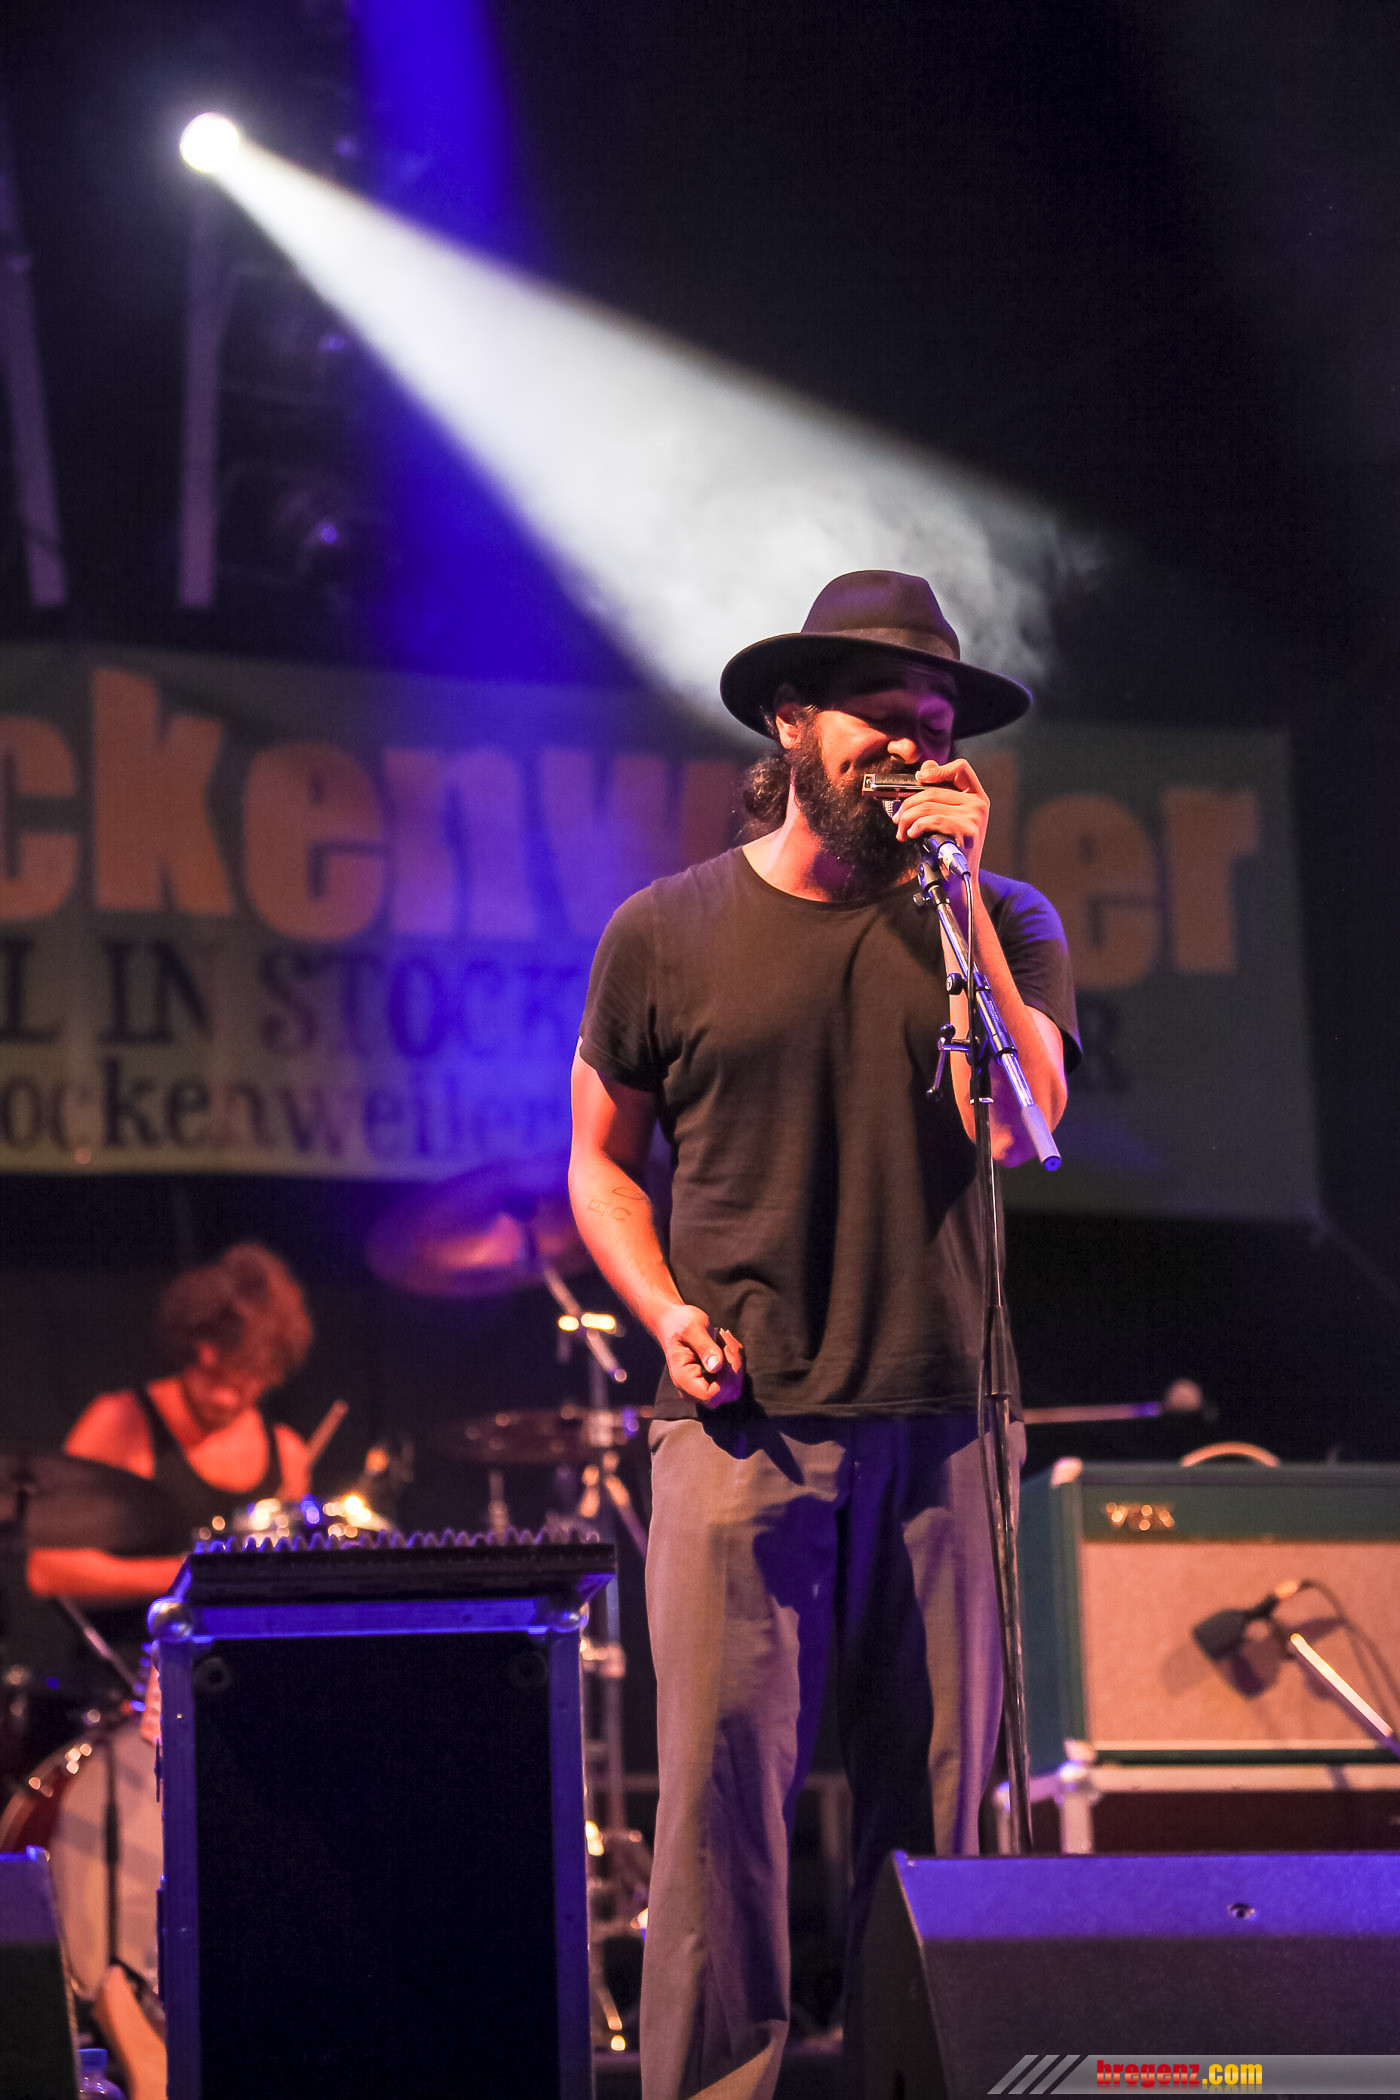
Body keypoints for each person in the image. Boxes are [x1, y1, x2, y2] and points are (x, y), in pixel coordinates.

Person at [569, 570, 1080, 2099]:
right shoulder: (667, 933)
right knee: (721, 1821)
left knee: (941, 1828)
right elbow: (598, 1163)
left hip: (945, 1428)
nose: (914, 748)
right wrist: (663, 1311)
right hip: (743, 1433)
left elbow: (1023, 1129)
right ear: (793, 722)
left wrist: (964, 907)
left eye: (937, 726)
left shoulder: (1003, 924)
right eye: (882, 717)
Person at [27, 1243, 313, 1632]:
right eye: (212, 1375)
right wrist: (193, 1574)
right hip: (133, 1662)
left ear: (273, 1373)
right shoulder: (119, 1422)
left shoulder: (288, 1453)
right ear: (187, 1351)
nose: (223, 1398)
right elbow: (48, 1570)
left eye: (244, 1381)